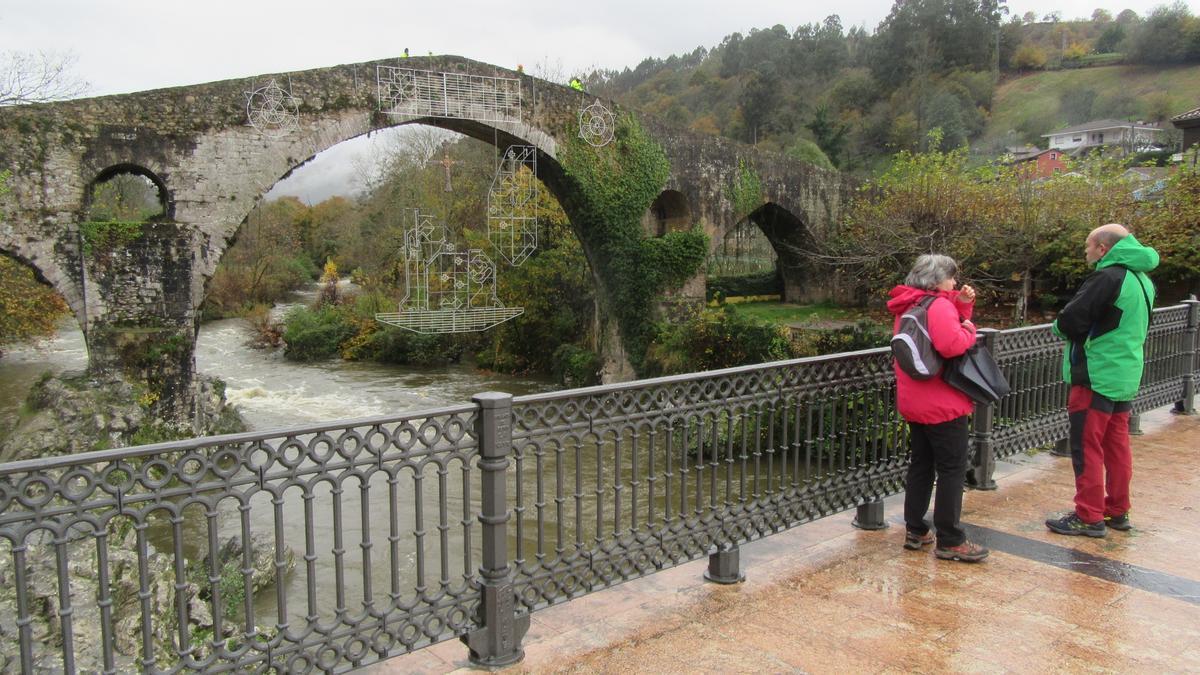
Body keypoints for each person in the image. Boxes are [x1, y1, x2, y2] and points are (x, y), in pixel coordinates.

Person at [1045, 224, 1158, 537]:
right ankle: (1117, 510)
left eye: (1088, 245)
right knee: (1117, 445)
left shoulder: (1107, 277)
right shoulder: (1142, 279)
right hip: (1125, 373)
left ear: (1103, 248)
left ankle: (1089, 515)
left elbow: (1071, 320)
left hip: (1096, 374)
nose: (1085, 251)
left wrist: (1058, 326)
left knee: (1086, 446)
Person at [888, 254, 989, 563]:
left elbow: (933, 334)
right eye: (950, 277)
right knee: (951, 470)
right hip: (942, 404)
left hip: (915, 401)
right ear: (935, 281)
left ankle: (916, 530)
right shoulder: (940, 306)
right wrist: (970, 327)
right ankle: (951, 538)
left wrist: (960, 304)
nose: (954, 282)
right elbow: (951, 344)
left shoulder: (908, 305)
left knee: (921, 466)